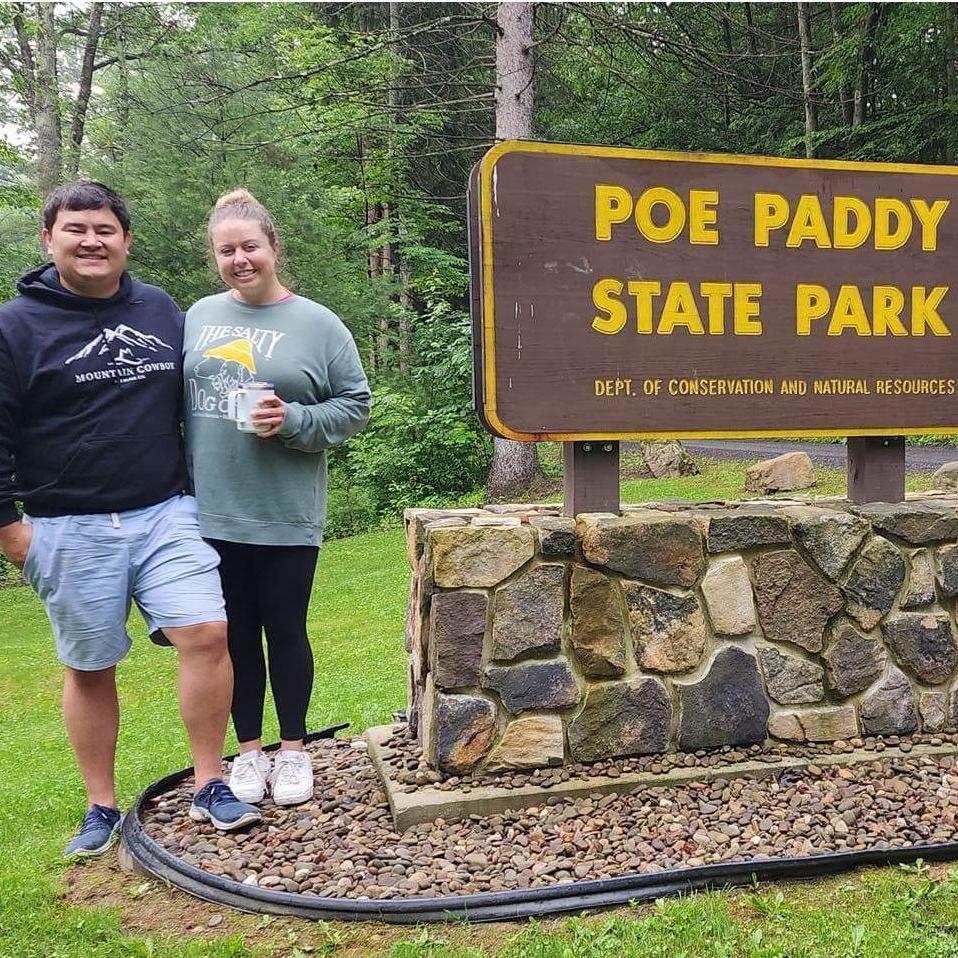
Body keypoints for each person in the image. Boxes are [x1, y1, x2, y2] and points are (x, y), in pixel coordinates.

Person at [0, 181, 263, 858]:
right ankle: (101, 806)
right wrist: (9, 526)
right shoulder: (15, 326)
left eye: (105, 230)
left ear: (126, 241)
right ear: (48, 239)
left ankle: (210, 781)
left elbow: (205, 390)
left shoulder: (159, 309)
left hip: (166, 510)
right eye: (76, 229)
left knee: (207, 632)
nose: (92, 241)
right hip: (66, 522)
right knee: (90, 666)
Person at [183, 189, 370, 807]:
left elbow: (355, 407)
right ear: (215, 256)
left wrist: (290, 419)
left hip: (286, 509)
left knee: (285, 628)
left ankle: (293, 752)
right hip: (211, 509)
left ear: (273, 248)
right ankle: (249, 752)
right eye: (226, 250)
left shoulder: (318, 324)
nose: (240, 259)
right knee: (232, 637)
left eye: (250, 246)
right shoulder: (198, 316)